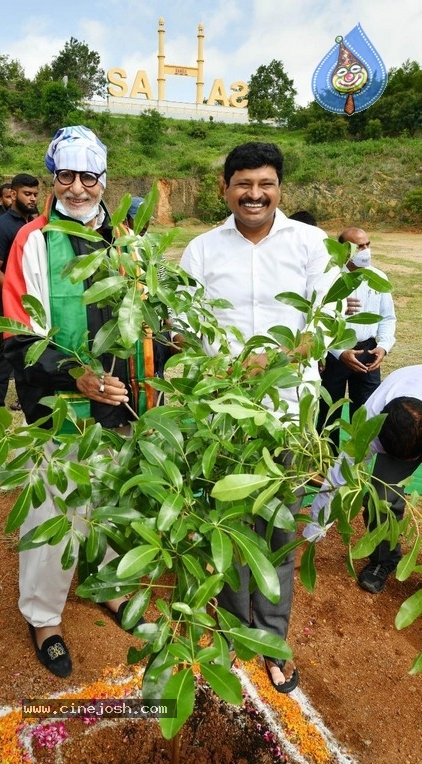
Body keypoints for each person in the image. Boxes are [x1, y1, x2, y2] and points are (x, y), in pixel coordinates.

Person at [177, 141, 340, 693]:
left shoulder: (312, 245)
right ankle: (232, 627)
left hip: (289, 414)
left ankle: (271, 637)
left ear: (279, 188)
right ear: (225, 188)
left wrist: (267, 361)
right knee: (224, 526)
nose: (254, 194)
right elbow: (181, 327)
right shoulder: (200, 251)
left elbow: (328, 326)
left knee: (274, 532)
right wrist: (216, 366)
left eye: (265, 183)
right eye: (243, 184)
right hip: (221, 417)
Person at [1, 126, 143, 678]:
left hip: (119, 403)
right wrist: (77, 378)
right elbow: (19, 335)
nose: (78, 188)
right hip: (58, 404)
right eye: (66, 176)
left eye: (89, 177)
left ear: (104, 180)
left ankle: (107, 584)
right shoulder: (33, 240)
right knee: (54, 508)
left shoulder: (125, 241)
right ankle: (42, 617)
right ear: (52, 179)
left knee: (109, 498)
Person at [305, 366, 422, 593]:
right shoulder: (368, 426)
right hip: (400, 432)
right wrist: (311, 539)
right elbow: (336, 482)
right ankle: (384, 559)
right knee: (382, 499)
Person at [317, 227, 396, 453]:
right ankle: (325, 463)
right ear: (343, 251)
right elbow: (320, 321)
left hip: (367, 353)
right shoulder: (329, 280)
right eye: (359, 246)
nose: (365, 251)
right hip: (335, 353)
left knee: (366, 411)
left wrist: (383, 346)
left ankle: (356, 465)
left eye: (367, 244)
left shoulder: (378, 279)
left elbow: (387, 318)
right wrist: (338, 352)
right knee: (328, 410)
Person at [0, 174, 40, 409]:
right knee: (7, 353)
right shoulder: (0, 227)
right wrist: (16, 295)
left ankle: (26, 401)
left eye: (36, 194)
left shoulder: (34, 224)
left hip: (34, 301)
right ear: (14, 194)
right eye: (27, 194)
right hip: (11, 301)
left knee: (32, 352)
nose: (33, 199)